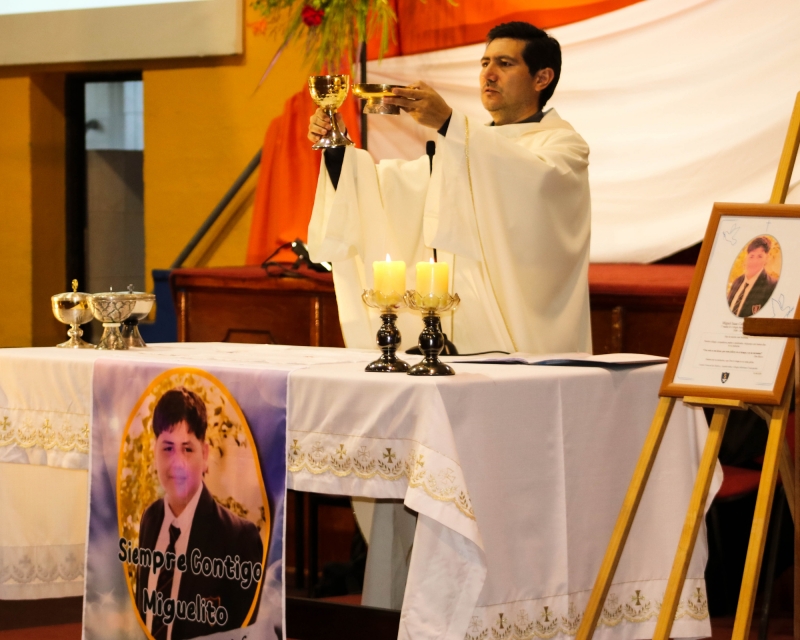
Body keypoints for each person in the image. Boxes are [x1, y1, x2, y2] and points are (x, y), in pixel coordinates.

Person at [307, 21, 592, 356]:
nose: (489, 74)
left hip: (529, 340)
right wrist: (338, 149)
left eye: (505, 63)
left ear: (542, 78)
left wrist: (448, 123)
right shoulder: (465, 145)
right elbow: (393, 194)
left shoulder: (563, 147)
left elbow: (528, 183)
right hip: (457, 347)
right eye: (485, 63)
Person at [135, 387, 263, 640]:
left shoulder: (238, 538)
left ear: (204, 455)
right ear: (154, 452)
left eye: (188, 449)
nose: (177, 462)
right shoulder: (150, 520)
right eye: (168, 448)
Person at [727, 236, 778, 317]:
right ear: (746, 257)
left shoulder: (772, 286)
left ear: (767, 258)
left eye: (760, 256)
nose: (754, 261)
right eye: (751, 256)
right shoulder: (737, 282)